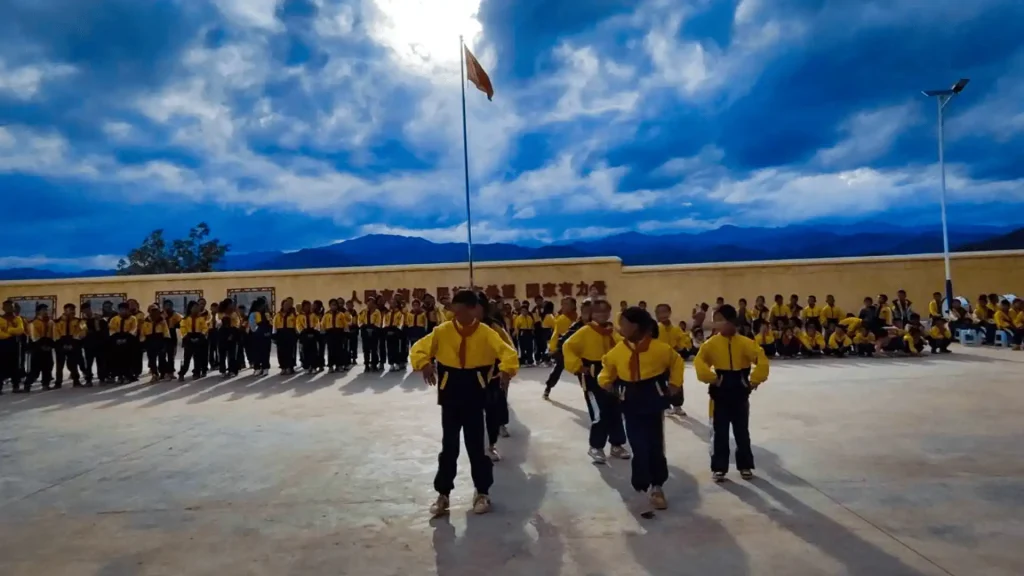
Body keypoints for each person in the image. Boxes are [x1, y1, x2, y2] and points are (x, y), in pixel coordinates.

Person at [411, 290, 519, 518]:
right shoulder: (442, 331)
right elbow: (419, 348)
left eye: (460, 311)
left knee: (475, 445)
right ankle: (443, 494)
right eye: (454, 311)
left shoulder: (486, 332)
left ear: (473, 309)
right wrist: (424, 363)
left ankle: (482, 492)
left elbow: (508, 352)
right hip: (450, 394)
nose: (456, 316)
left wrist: (507, 370)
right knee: (449, 446)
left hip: (474, 392)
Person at [598, 306, 683, 515]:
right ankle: (641, 484)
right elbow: (606, 369)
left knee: (655, 444)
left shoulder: (659, 349)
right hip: (630, 400)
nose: (620, 327)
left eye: (624, 323)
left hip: (653, 399)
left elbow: (677, 362)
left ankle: (657, 486)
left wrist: (674, 384)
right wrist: (605, 382)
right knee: (638, 444)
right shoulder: (617, 351)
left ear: (636, 326)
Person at [694, 304, 769, 482]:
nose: (716, 323)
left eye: (719, 320)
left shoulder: (746, 343)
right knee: (719, 431)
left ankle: (745, 465)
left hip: (739, 390)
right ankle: (719, 467)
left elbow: (762, 361)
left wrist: (754, 381)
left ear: (731, 322)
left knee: (741, 430)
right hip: (719, 392)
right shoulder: (711, 344)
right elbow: (700, 362)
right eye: (715, 320)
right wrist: (711, 378)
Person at [563, 299, 630, 464]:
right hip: (593, 376)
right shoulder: (585, 331)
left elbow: (623, 346)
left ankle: (616, 444)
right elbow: (568, 347)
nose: (602, 315)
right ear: (592, 314)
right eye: (598, 312)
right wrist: (578, 366)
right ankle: (596, 446)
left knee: (615, 410)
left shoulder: (611, 331)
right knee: (599, 412)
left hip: (613, 375)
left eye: (605, 311)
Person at [654, 303, 688, 417]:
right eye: (660, 312)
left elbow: (683, 339)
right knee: (662, 383)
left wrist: (680, 346)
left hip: (674, 360)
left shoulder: (676, 329)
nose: (663, 315)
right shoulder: (655, 329)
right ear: (657, 315)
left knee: (677, 382)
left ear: (669, 313)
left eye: (665, 312)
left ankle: (677, 406)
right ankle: (666, 405)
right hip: (660, 361)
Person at [543, 297, 579, 399]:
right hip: (562, 347)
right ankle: (548, 387)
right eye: (563, 304)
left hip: (568, 346)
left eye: (566, 304)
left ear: (573, 306)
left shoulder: (569, 318)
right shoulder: (565, 317)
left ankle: (548, 388)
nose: (563, 306)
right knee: (558, 367)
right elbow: (556, 333)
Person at [24, 304, 56, 391]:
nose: (45, 311)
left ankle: (46, 384)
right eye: (43, 310)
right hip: (37, 348)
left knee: (48, 367)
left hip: (48, 347)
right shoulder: (33, 323)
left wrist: (51, 346)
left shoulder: (51, 322)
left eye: (46, 309)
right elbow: (35, 337)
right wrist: (41, 346)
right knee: (35, 368)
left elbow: (54, 335)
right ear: (38, 312)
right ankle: (28, 384)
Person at [53, 303, 85, 388]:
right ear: (65, 311)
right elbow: (56, 335)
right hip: (61, 345)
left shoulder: (79, 321)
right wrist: (62, 345)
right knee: (59, 365)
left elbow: (84, 331)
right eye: (70, 310)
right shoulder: (57, 322)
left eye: (73, 310)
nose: (73, 312)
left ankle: (76, 381)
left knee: (73, 364)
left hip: (74, 344)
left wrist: (74, 343)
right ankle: (58, 383)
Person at [107, 303, 139, 385]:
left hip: (128, 339)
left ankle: (128, 376)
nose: (123, 312)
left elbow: (134, 329)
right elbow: (111, 329)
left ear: (128, 310)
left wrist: (126, 339)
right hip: (116, 339)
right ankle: (119, 376)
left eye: (125, 310)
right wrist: (116, 339)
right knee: (118, 359)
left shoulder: (133, 318)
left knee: (128, 359)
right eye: (121, 310)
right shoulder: (114, 319)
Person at [0, 300, 26, 394]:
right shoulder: (0, 319)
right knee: (1, 366)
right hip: (2, 345)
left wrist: (8, 330)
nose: (9, 308)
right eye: (7, 306)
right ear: (3, 308)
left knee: (16, 365)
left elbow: (20, 330)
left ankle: (16, 386)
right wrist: (11, 333)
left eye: (11, 306)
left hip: (15, 345)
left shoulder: (17, 318)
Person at [178, 301, 209, 381]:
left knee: (198, 357)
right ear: (190, 309)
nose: (196, 309)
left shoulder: (201, 319)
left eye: (197, 307)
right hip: (188, 338)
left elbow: (205, 328)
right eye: (194, 307)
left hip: (199, 337)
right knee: (186, 358)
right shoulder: (185, 319)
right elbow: (183, 329)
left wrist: (201, 336)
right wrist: (188, 338)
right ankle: (182, 373)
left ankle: (196, 372)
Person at [140, 305, 171, 382]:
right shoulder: (146, 322)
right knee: (151, 359)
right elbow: (143, 333)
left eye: (156, 312)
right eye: (152, 312)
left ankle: (163, 373)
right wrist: (143, 343)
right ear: (149, 312)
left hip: (160, 340)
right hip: (150, 341)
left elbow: (166, 332)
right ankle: (154, 374)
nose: (155, 314)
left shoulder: (162, 321)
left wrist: (166, 342)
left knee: (162, 358)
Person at [248, 298, 273, 377]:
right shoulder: (253, 314)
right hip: (256, 336)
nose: (263, 307)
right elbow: (252, 325)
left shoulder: (267, 314)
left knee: (266, 352)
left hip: (266, 335)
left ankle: (265, 368)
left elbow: (271, 323)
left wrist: (268, 332)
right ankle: (257, 368)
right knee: (256, 353)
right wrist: (257, 332)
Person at [321, 299, 348, 373]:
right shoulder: (326, 315)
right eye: (332, 305)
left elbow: (345, 325)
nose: (334, 306)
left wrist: (345, 335)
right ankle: (330, 366)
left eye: (335, 305)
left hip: (339, 333)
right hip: (330, 333)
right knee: (331, 350)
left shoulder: (341, 314)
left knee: (339, 350)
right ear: (329, 306)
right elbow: (322, 325)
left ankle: (339, 365)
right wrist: (323, 335)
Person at [296, 300, 322, 375]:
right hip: (304, 335)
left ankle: (313, 367)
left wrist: (315, 331)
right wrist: (303, 332)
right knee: (305, 351)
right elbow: (298, 325)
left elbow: (317, 324)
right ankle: (306, 367)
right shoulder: (300, 316)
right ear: (303, 307)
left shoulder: (313, 315)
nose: (308, 307)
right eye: (306, 306)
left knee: (313, 351)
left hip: (313, 334)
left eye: (309, 306)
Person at [274, 298, 299, 375]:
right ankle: (283, 367)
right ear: (282, 305)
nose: (286, 306)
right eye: (285, 305)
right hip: (280, 333)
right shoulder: (278, 314)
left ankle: (289, 367)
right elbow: (274, 325)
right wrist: (274, 335)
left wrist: (297, 334)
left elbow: (296, 324)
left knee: (290, 351)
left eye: (288, 305)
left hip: (290, 333)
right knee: (281, 351)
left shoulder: (293, 314)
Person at [358, 298, 382, 371]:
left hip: (374, 331)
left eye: (372, 302)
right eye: (369, 302)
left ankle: (374, 364)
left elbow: (378, 322)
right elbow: (360, 321)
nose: (370, 304)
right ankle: (366, 365)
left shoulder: (377, 312)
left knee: (374, 349)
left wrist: (372, 328)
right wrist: (365, 328)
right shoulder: (363, 311)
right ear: (367, 303)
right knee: (366, 349)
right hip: (365, 331)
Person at [162, 300, 183, 380]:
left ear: (172, 306)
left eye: (169, 305)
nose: (168, 307)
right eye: (166, 305)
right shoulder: (161, 315)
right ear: (163, 306)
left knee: (171, 355)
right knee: (162, 355)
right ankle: (164, 372)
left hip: (171, 335)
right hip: (163, 335)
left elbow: (181, 323)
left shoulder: (176, 315)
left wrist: (177, 324)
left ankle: (171, 372)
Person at [345, 299, 360, 366]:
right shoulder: (345, 313)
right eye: (348, 305)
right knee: (348, 346)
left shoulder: (355, 313)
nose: (349, 306)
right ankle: (348, 358)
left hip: (354, 331)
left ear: (353, 306)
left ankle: (354, 358)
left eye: (350, 305)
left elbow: (356, 322)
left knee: (354, 346)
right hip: (347, 331)